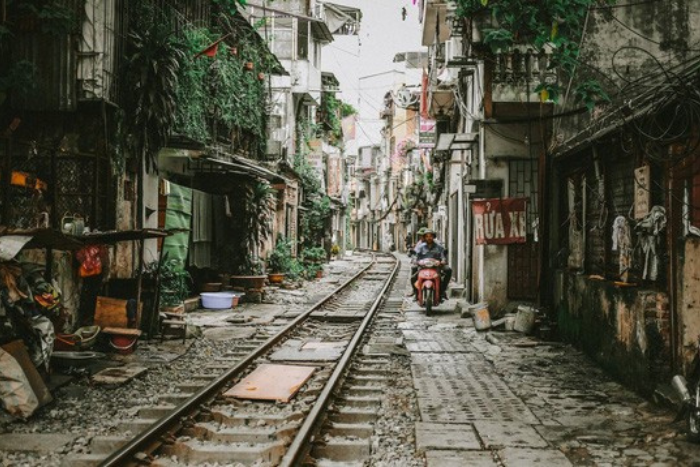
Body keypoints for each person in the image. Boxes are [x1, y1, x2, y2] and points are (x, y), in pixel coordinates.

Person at [412, 229, 452, 301]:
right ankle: (416, 293)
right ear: (424, 237)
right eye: (427, 236)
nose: (429, 238)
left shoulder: (439, 247)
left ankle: (442, 291)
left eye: (430, 236)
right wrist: (415, 261)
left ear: (433, 237)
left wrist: (443, 261)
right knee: (413, 275)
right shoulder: (420, 247)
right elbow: (415, 255)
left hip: (436, 267)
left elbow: (443, 256)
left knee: (448, 270)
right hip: (423, 267)